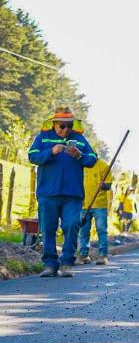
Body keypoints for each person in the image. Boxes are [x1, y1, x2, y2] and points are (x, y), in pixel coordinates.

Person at [27, 107, 97, 277]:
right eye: (62, 126)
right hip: (47, 193)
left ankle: (66, 263)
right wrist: (51, 152)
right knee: (48, 229)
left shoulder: (79, 139)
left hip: (73, 195)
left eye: (69, 126)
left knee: (72, 225)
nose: (66, 130)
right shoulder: (43, 137)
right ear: (54, 124)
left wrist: (80, 155)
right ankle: (50, 264)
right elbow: (32, 156)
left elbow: (93, 159)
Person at [78, 158, 112, 265]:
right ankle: (84, 255)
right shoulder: (81, 165)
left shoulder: (104, 166)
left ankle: (103, 255)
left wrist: (104, 185)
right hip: (84, 204)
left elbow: (108, 185)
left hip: (99, 205)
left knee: (101, 230)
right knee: (83, 231)